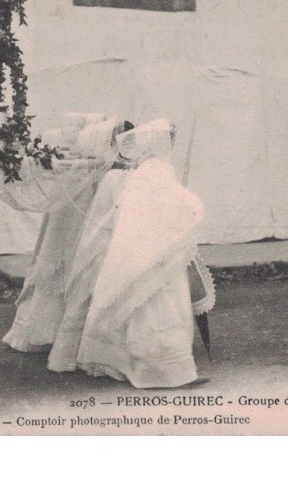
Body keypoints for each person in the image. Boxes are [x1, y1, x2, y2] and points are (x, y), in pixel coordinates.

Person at [76, 118, 205, 388]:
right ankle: (164, 370)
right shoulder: (156, 170)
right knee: (157, 305)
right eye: (168, 138)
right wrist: (192, 208)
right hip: (153, 247)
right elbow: (178, 206)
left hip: (141, 246)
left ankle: (137, 363)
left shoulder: (143, 169)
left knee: (142, 303)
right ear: (158, 142)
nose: (171, 144)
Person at [2, 115, 124, 353]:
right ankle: (51, 332)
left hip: (89, 215)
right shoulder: (76, 166)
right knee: (59, 261)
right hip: (70, 216)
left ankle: (80, 336)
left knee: (85, 262)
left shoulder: (100, 168)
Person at [45, 119, 135, 372]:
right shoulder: (109, 176)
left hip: (116, 236)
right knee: (92, 290)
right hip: (103, 236)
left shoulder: (121, 174)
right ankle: (87, 352)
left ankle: (105, 350)